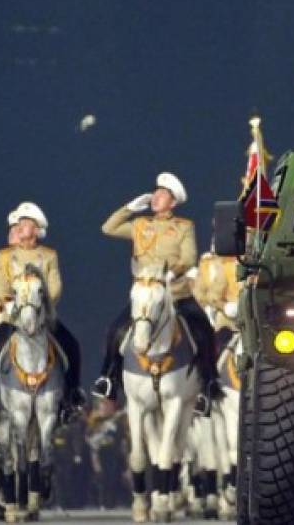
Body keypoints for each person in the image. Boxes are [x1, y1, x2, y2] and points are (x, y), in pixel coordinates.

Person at [93, 172, 221, 414]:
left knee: (204, 331)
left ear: (173, 203)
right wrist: (130, 208)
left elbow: (189, 257)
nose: (156, 196)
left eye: (163, 194)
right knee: (115, 330)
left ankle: (208, 386)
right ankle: (108, 380)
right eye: (156, 192)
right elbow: (108, 228)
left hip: (176, 294)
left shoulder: (183, 226)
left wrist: (172, 272)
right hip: (146, 296)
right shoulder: (140, 225)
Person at [0, 203, 85, 426]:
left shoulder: (49, 255)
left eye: (26, 224)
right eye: (20, 224)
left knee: (71, 345)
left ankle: (70, 397)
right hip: (12, 317)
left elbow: (55, 286)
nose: (20, 227)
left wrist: (42, 306)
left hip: (42, 315)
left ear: (37, 230)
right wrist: (14, 305)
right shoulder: (5, 256)